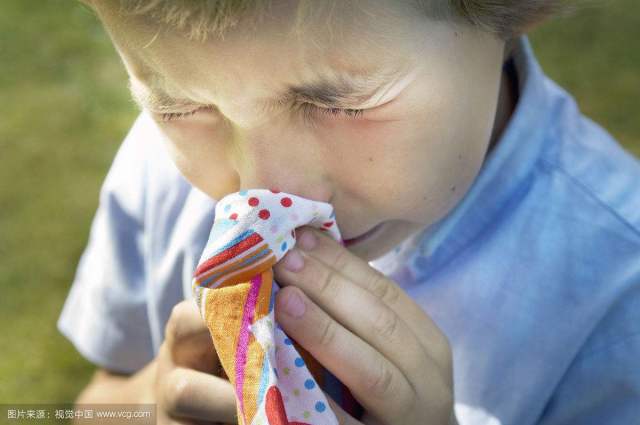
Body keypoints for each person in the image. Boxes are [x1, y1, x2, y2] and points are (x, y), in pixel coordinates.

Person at [58, 0, 640, 424]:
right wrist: (148, 399)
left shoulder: (618, 297)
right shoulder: (154, 168)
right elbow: (93, 402)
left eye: (337, 103)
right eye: (180, 106)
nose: (262, 192)